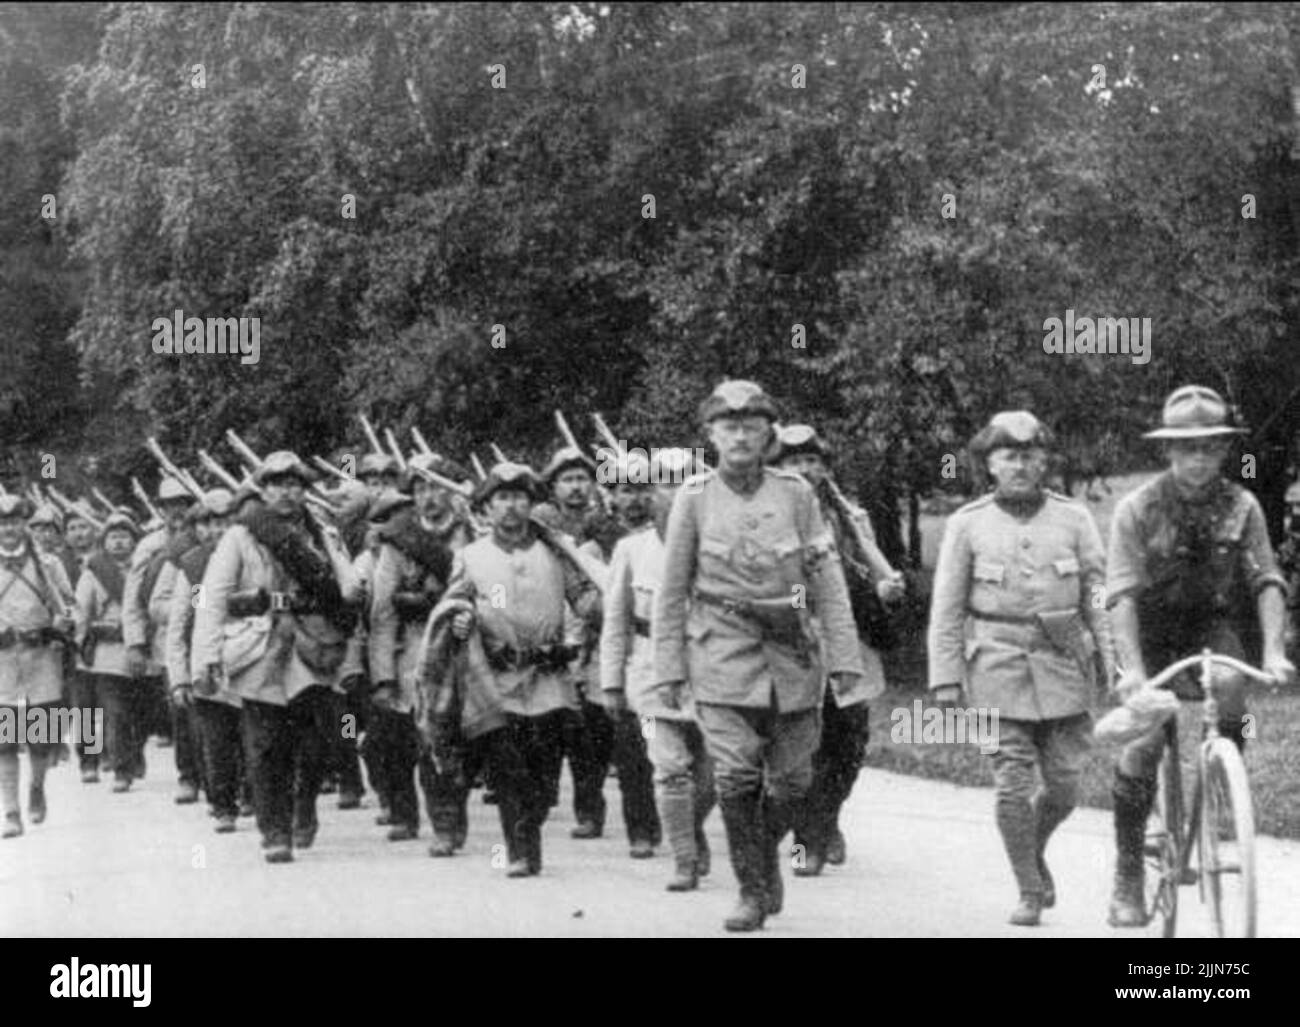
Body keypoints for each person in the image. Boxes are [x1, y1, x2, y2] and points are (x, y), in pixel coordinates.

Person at [654, 380, 866, 932]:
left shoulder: (796, 493)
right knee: (734, 775)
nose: (741, 436)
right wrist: (669, 669)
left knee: (794, 782)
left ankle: (763, 853)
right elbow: (672, 590)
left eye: (752, 426)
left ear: (769, 432)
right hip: (721, 654)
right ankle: (750, 888)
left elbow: (826, 577)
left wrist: (844, 657)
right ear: (710, 435)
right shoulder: (694, 498)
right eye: (729, 427)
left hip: (792, 655)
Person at [1105, 386, 1295, 926]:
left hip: (1212, 627)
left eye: (1209, 447)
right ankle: (1127, 874)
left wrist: (1276, 651)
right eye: (1187, 447)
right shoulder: (1136, 509)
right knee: (1144, 741)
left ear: (1224, 451)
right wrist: (1135, 673)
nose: (1198, 458)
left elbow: (1267, 581)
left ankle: (1221, 786)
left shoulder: (1243, 505)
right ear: (1167, 451)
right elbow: (1120, 595)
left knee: (1233, 690)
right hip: (1148, 632)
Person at [929, 411, 1113, 926]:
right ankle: (1029, 889)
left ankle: (1033, 849)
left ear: (1046, 462)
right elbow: (946, 608)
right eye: (1009, 456)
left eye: (1031, 456)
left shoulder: (1074, 518)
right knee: (1011, 782)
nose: (1021, 466)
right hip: (994, 667)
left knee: (1064, 784)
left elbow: (1097, 595)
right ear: (989, 463)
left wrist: (1113, 659)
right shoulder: (967, 523)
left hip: (1064, 666)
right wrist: (945, 678)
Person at [419, 462, 601, 877]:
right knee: (509, 770)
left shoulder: (557, 551)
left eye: (520, 498)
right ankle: (520, 850)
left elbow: (584, 600)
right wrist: (462, 618)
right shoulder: (470, 556)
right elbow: (453, 604)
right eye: (502, 499)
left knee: (544, 777)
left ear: (533, 504)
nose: (512, 507)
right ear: (485, 509)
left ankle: (527, 832)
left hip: (551, 678)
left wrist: (612, 606)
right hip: (497, 681)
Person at [192, 452, 361, 863]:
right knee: (266, 745)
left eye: (295, 484)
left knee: (316, 741)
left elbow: (349, 589)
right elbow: (213, 597)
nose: (287, 491)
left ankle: (304, 804)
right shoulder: (241, 535)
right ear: (262, 489)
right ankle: (275, 831)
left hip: (314, 643)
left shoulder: (320, 533)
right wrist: (206, 658)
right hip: (261, 646)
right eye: (277, 484)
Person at [769, 424, 906, 876]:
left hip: (850, 643)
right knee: (800, 748)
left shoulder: (853, 518)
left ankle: (825, 820)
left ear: (825, 467)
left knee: (849, 746)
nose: (804, 470)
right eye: (792, 462)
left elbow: (871, 569)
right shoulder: (769, 518)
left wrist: (885, 588)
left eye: (812, 460)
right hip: (795, 643)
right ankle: (806, 839)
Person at [602, 447, 716, 888]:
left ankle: (691, 828)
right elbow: (616, 623)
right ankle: (684, 859)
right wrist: (612, 683)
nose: (673, 491)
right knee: (669, 768)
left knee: (716, 776)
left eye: (684, 480)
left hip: (712, 673)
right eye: (663, 483)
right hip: (651, 680)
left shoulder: (716, 548)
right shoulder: (631, 549)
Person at [369, 455, 473, 851]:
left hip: (468, 647)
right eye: (421, 488)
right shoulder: (398, 542)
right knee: (428, 738)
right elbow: (382, 613)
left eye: (439, 487)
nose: (430, 497)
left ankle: (453, 810)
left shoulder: (474, 535)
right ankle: (443, 825)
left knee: (464, 741)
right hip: (417, 649)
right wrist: (382, 675)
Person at [537, 445, 618, 840]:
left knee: (596, 731)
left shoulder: (606, 525)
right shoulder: (541, 529)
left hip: (597, 632)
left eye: (582, 478)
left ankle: (593, 810)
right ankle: (557, 798)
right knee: (559, 729)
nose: (575, 487)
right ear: (553, 487)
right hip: (554, 632)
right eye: (567, 479)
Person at [164, 488, 252, 832]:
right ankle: (222, 804)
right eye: (210, 524)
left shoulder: (252, 557)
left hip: (249, 662)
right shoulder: (193, 566)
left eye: (226, 522)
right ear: (199, 529)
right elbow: (180, 625)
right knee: (216, 743)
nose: (218, 530)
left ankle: (253, 795)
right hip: (208, 667)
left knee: (254, 741)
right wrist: (180, 678)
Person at [0, 495, 76, 837]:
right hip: (2, 662)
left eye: (15, 522)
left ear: (24, 525)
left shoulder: (47, 564)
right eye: (2, 523)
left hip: (42, 657)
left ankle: (37, 786)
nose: (8, 529)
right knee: (5, 740)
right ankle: (11, 811)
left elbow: (71, 606)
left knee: (41, 738)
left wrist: (62, 623)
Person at [122, 476, 200, 794]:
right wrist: (135, 642)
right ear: (162, 509)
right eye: (171, 505)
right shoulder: (151, 545)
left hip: (209, 633)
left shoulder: (207, 537)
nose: (178, 511)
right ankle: (188, 776)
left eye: (183, 503)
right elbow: (134, 596)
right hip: (167, 636)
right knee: (180, 710)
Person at [74, 510, 146, 793]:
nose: (118, 543)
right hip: (107, 652)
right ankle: (118, 767)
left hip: (142, 650)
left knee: (137, 712)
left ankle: (131, 758)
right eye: (113, 537)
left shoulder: (145, 567)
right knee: (112, 713)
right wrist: (78, 646)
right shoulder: (94, 571)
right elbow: (81, 611)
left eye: (124, 536)